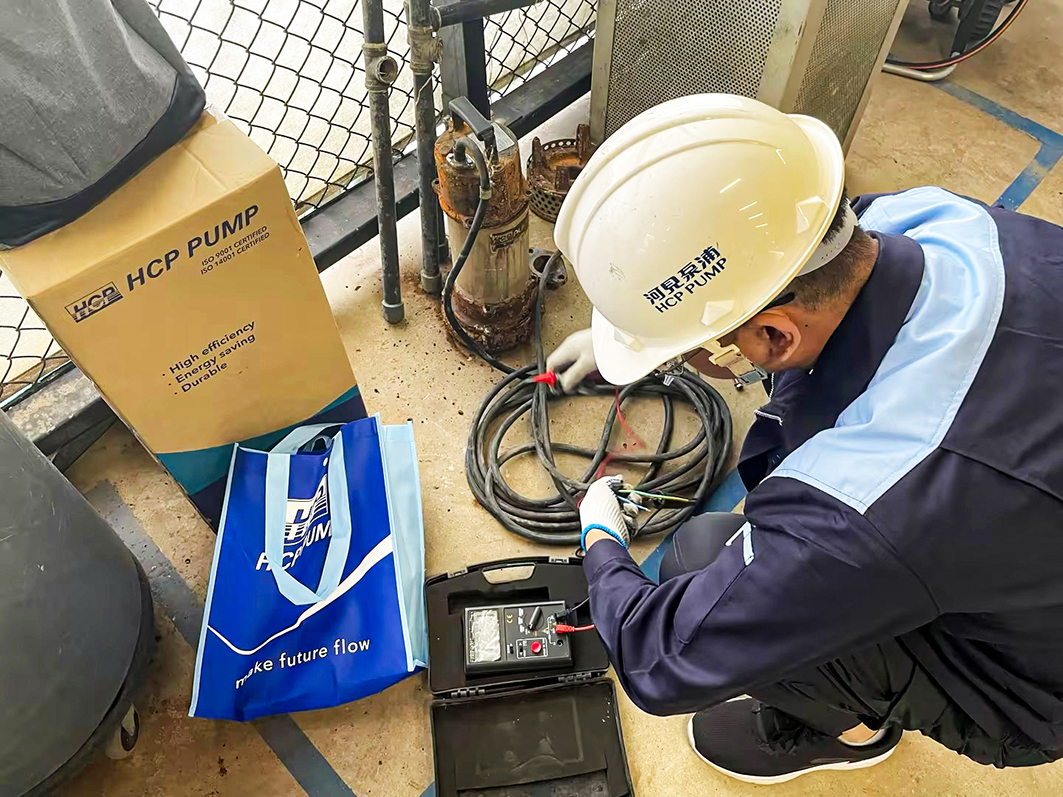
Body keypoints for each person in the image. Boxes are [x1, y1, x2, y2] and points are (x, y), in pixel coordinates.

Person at [546, 93, 1063, 785]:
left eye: (689, 351)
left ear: (772, 334)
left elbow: (655, 658)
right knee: (723, 552)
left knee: (694, 566)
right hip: (1025, 541)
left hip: (1029, 686)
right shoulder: (931, 219)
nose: (680, 363)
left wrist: (599, 535)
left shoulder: (877, 497)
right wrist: (643, 332)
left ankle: (851, 730)